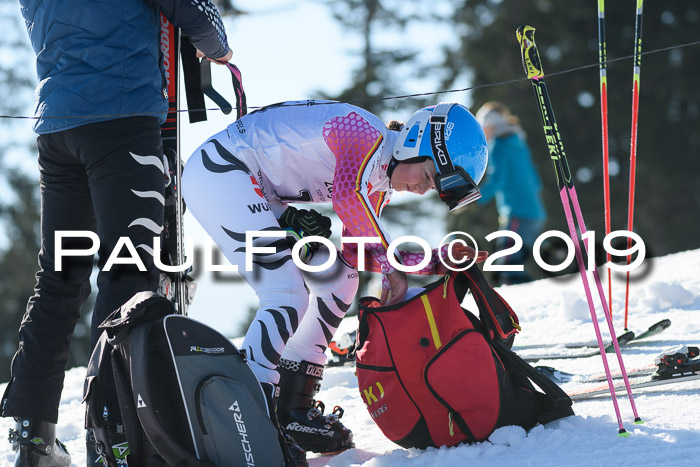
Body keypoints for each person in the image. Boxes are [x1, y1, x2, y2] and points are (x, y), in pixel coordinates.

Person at [181, 100, 490, 455]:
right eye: (428, 177)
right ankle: (252, 417)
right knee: (286, 291)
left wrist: (435, 262)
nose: (423, 190)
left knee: (339, 279)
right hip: (221, 170)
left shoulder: (380, 183)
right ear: (416, 142)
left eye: (433, 189)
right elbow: (346, 197)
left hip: (252, 184)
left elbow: (359, 250)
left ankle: (292, 408)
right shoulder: (365, 133)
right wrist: (395, 270)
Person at [3, 1, 232, 466]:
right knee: (127, 278)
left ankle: (33, 437)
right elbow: (193, 11)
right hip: (122, 121)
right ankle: (114, 435)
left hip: (58, 126)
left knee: (59, 281)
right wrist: (219, 49)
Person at [475, 101, 547, 285]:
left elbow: (497, 179)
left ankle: (513, 309)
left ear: (491, 125)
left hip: (517, 212)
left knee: (506, 266)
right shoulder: (518, 142)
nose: (483, 133)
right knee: (514, 265)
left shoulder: (499, 146)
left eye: (483, 128)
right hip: (535, 214)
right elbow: (535, 180)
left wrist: (474, 199)